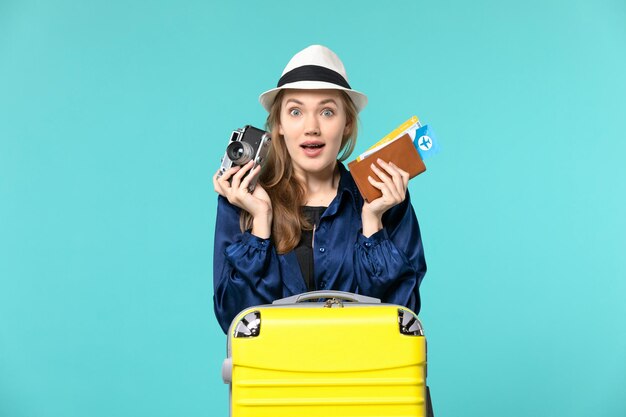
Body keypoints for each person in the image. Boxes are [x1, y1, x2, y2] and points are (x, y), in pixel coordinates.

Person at [212, 45, 426, 333]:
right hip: (277, 376)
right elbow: (235, 323)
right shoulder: (242, 200)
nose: (311, 127)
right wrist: (261, 223)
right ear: (279, 125)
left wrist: (373, 225)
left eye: (327, 111)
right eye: (296, 111)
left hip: (365, 376)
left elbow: (402, 321)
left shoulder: (386, 198)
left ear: (347, 123)